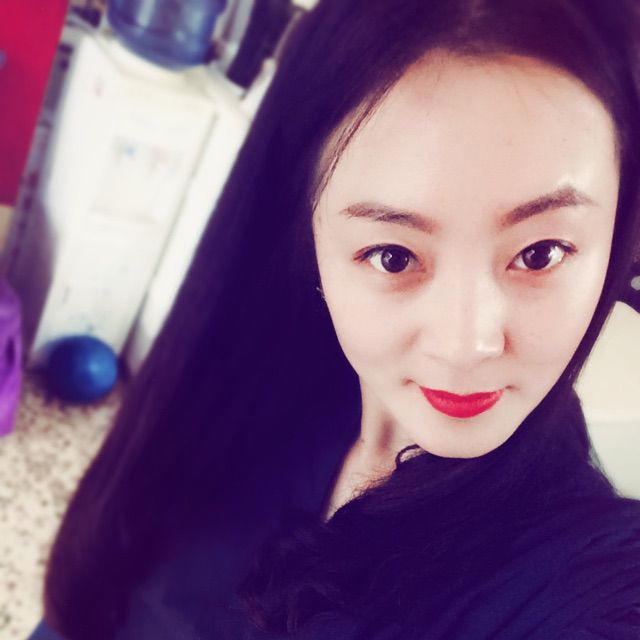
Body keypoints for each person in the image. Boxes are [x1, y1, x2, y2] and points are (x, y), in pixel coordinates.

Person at [29, 0, 640, 638]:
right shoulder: (247, 384)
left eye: (541, 254)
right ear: (311, 233)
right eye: (393, 255)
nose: (466, 345)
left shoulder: (587, 589)